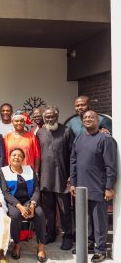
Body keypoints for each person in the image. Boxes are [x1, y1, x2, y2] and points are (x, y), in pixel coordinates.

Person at [70, 110, 117, 262]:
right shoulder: (79, 139)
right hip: (81, 187)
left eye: (91, 117)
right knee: (86, 219)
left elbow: (111, 165)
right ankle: (89, 244)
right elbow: (73, 162)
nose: (88, 119)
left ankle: (100, 250)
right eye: (85, 117)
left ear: (98, 121)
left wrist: (109, 187)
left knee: (99, 220)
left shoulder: (105, 139)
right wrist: (73, 183)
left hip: (98, 186)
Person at [0, 148, 46, 262]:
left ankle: (41, 247)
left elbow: (36, 189)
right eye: (14, 155)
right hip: (13, 201)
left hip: (29, 200)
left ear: (23, 159)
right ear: (9, 157)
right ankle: (17, 244)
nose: (16, 157)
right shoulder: (3, 171)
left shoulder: (29, 169)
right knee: (14, 215)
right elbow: (6, 193)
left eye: (20, 156)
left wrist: (33, 204)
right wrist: (20, 207)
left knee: (39, 214)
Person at [36, 106, 74, 249]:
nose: (50, 119)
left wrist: (72, 175)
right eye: (47, 117)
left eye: (52, 116)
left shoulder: (66, 131)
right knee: (48, 210)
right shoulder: (39, 132)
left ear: (57, 116)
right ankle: (51, 233)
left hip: (63, 177)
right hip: (45, 178)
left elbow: (73, 155)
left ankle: (68, 235)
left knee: (64, 209)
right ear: (44, 118)